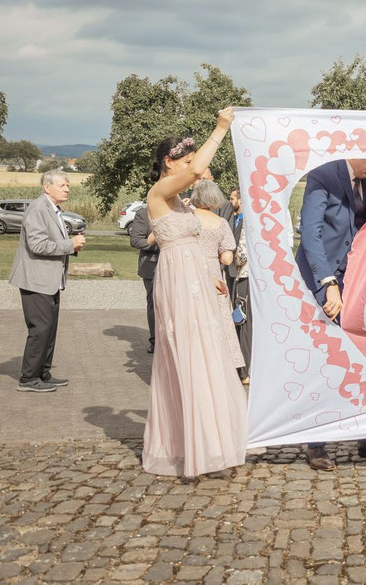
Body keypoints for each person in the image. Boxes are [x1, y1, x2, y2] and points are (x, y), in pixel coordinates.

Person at [141, 109, 249, 477]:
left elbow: (197, 246)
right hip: (175, 284)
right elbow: (194, 172)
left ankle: (210, 441)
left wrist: (210, 278)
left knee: (206, 354)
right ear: (170, 163)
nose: (194, 171)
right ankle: (194, 445)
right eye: (186, 162)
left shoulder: (181, 203)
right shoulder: (159, 192)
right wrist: (220, 129)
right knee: (186, 357)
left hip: (196, 281)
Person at [295, 158, 366, 471]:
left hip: (359, 280)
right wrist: (328, 283)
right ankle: (315, 442)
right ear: (362, 154)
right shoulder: (323, 176)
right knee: (325, 359)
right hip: (325, 280)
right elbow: (310, 233)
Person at [9, 169, 86, 393]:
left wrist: (71, 245)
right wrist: (70, 245)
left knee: (49, 329)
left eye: (68, 185)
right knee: (40, 329)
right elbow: (37, 245)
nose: (67, 189)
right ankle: (28, 379)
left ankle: (43, 373)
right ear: (47, 187)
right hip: (36, 281)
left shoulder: (54, 210)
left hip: (50, 281)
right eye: (63, 185)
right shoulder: (38, 209)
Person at [190, 180, 245, 378]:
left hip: (189, 267)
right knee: (219, 317)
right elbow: (227, 257)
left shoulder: (188, 218)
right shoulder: (220, 223)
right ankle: (222, 362)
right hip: (213, 269)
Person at [228, 189, 252, 381]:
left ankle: (244, 370)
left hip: (244, 275)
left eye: (232, 198)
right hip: (245, 276)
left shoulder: (248, 221)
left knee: (243, 321)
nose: (230, 202)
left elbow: (242, 252)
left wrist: (230, 257)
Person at [129, 205, 158, 354]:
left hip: (176, 264)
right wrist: (156, 240)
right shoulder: (143, 214)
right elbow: (136, 241)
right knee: (154, 303)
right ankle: (155, 340)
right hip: (152, 266)